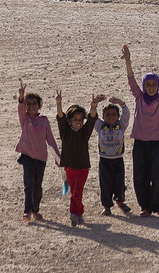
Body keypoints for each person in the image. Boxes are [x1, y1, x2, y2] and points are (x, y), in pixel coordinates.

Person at [123, 45, 159, 217]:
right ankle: (145, 206)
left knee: (156, 174)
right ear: (143, 86)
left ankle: (158, 205)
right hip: (140, 142)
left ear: (157, 86)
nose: (150, 88)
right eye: (147, 85)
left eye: (154, 84)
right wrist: (128, 61)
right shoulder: (139, 97)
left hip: (157, 143)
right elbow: (131, 80)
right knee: (140, 175)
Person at [15, 79, 60, 224]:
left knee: (38, 184)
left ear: (39, 105)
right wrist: (21, 96)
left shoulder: (44, 121)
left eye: (34, 104)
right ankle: (27, 210)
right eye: (29, 104)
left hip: (41, 157)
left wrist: (58, 157)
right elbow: (20, 108)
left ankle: (35, 209)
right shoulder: (25, 119)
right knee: (29, 183)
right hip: (27, 155)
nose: (31, 106)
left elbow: (51, 140)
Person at [54, 92, 99, 226]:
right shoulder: (65, 132)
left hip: (83, 167)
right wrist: (58, 103)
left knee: (77, 192)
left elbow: (92, 119)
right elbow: (61, 118)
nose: (78, 121)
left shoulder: (85, 133)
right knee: (74, 191)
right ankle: (79, 212)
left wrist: (93, 106)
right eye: (75, 119)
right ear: (70, 121)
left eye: (80, 119)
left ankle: (73, 213)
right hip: (69, 167)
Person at [94, 96, 132, 216]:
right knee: (105, 184)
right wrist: (94, 105)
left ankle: (120, 202)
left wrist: (121, 103)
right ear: (103, 117)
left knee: (119, 184)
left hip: (118, 160)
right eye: (108, 115)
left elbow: (127, 114)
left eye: (114, 114)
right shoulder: (100, 126)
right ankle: (106, 206)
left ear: (118, 116)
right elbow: (92, 117)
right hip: (104, 161)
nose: (111, 117)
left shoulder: (121, 126)